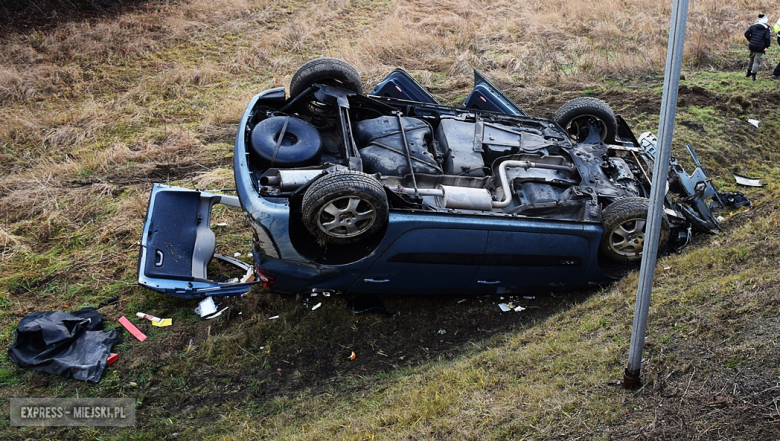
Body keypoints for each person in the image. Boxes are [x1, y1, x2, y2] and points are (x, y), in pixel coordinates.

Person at [744, 14, 772, 81]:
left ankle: (748, 73)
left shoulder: (753, 26)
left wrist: (751, 40)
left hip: (752, 46)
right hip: (760, 47)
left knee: (751, 59)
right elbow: (767, 38)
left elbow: (746, 34)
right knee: (756, 62)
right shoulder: (766, 28)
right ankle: (753, 76)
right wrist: (766, 46)